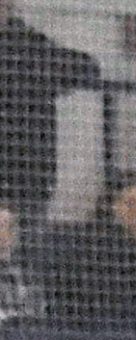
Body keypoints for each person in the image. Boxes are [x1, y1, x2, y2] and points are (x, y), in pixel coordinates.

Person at [0, 0, 99, 222]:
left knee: (25, 246)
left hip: (27, 175)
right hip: (28, 174)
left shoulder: (30, 44)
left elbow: (87, 67)